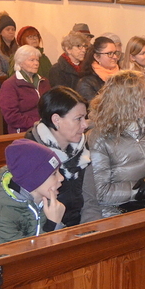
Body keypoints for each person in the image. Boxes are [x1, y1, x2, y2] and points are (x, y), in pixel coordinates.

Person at [87, 70, 145, 218]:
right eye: (142, 98)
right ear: (125, 102)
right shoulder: (100, 138)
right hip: (116, 212)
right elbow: (101, 192)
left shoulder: (144, 128)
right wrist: (140, 190)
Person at [0, 140, 67, 249]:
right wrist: (53, 224)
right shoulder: (0, 218)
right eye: (54, 173)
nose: (61, 178)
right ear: (33, 180)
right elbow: (26, 257)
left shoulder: (45, 203)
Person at [25, 87, 102, 227]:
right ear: (56, 120)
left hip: (80, 226)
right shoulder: (31, 153)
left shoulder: (82, 149)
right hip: (47, 228)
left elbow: (90, 202)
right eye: (78, 119)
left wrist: (91, 231)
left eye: (85, 117)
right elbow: (31, 213)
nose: (85, 125)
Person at [0, 44, 51, 133]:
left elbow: (51, 106)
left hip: (47, 128)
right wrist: (38, 123)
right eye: (32, 60)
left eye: (37, 60)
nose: (36, 63)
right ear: (20, 63)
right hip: (24, 131)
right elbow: (11, 116)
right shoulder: (10, 85)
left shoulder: (44, 81)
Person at [75, 36, 121, 101]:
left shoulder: (122, 76)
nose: (115, 57)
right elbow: (94, 106)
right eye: (109, 53)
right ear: (97, 57)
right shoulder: (86, 83)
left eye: (115, 53)